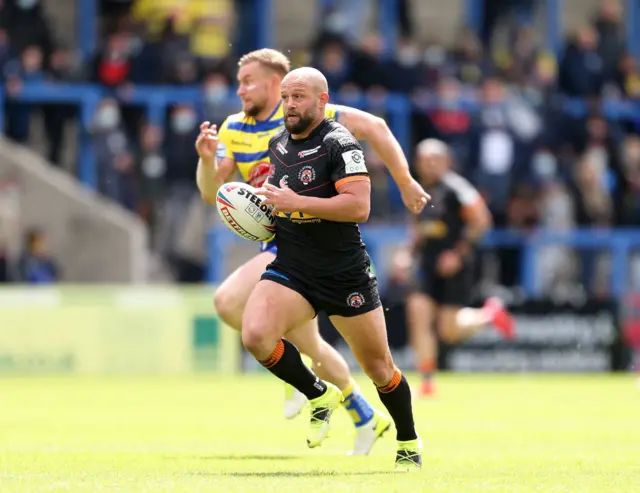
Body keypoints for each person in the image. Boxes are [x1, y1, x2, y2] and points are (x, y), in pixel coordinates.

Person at [195, 48, 429, 455]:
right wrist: (214, 168)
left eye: (296, 97)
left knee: (377, 367)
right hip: (290, 257)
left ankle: (403, 437)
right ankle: (317, 393)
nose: (289, 104)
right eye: (287, 98)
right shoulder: (271, 140)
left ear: (319, 99)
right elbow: (213, 191)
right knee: (255, 330)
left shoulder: (338, 136)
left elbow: (359, 204)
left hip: (341, 268)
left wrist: (406, 181)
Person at [406, 139, 515, 397]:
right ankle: (427, 381)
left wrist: (457, 253)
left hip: (456, 267)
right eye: (423, 159)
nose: (429, 164)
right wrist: (407, 254)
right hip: (427, 264)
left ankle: (489, 314)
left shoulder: (457, 188)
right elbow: (417, 228)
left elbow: (482, 220)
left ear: (446, 162)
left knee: (449, 330)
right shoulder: (417, 189)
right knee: (417, 311)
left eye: (434, 159)